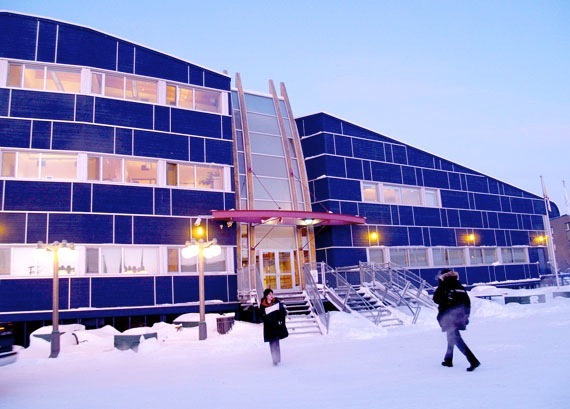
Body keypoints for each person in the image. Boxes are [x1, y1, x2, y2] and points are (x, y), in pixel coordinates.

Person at [433, 269, 481, 372]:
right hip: (459, 316)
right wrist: (466, 316)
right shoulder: (459, 286)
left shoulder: (445, 286)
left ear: (443, 277)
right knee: (451, 337)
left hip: (449, 317)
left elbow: (436, 299)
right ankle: (448, 359)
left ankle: (473, 360)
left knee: (456, 339)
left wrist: (440, 285)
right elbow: (467, 302)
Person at [259, 288, 288, 366]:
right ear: (266, 296)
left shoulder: (276, 302)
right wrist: (265, 314)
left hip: (276, 325)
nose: (271, 296)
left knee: (276, 342)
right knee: (272, 343)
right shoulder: (263, 304)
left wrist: (280, 318)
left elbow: (282, 311)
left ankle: (277, 359)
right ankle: (274, 359)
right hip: (268, 327)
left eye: (272, 294)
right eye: (269, 294)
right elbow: (261, 315)